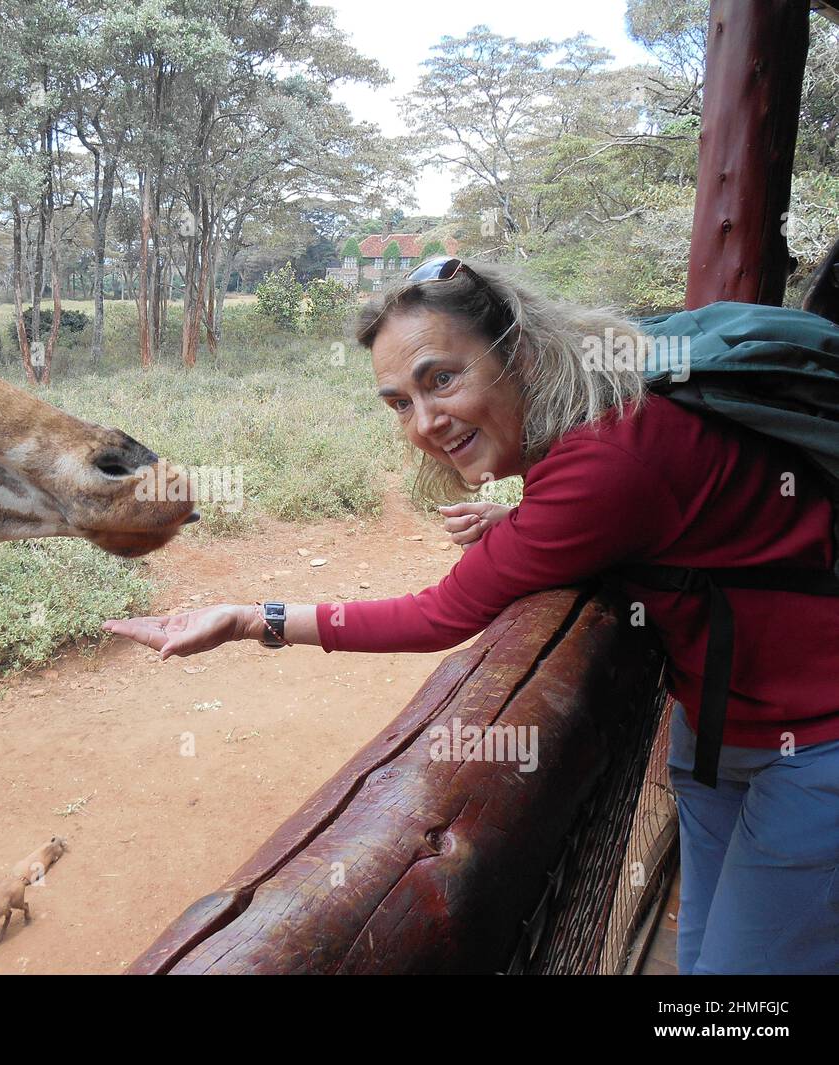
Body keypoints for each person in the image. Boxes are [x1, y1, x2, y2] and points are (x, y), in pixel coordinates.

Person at [102, 258, 839, 975]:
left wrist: (246, 619)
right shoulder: (605, 415)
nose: (424, 421)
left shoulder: (605, 464)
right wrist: (524, 522)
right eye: (398, 402)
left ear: (516, 351)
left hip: (815, 742)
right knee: (709, 949)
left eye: (441, 379)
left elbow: (439, 613)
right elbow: (652, 516)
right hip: (719, 724)